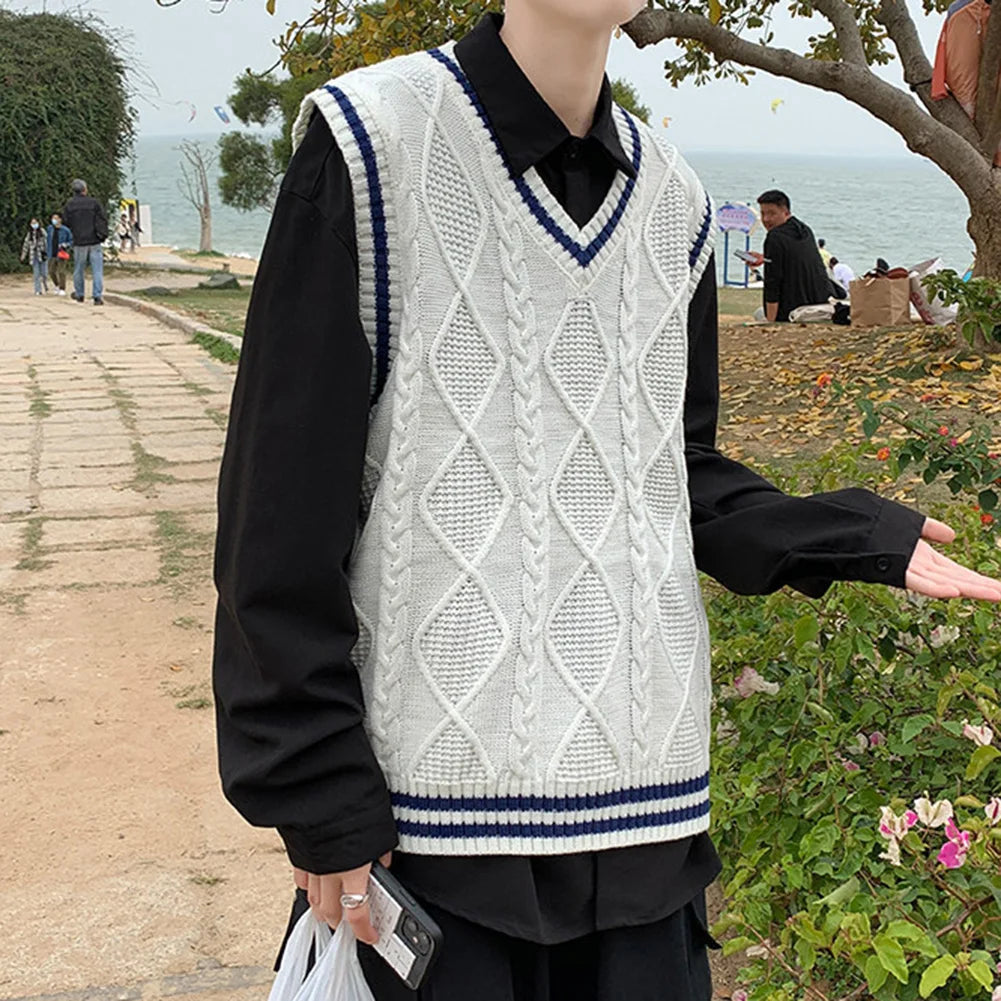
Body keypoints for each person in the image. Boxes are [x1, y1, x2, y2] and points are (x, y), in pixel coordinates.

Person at [212, 5, 1001, 1000]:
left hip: (647, 832)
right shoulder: (369, 146)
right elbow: (279, 503)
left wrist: (848, 534)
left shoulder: (673, 200)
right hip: (434, 837)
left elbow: (668, 467)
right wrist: (316, 786)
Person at [750, 190, 834, 321]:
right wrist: (764, 258)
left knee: (759, 313)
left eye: (772, 213)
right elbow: (795, 257)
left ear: (786, 212)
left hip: (792, 311)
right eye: (763, 213)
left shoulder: (774, 237)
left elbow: (773, 282)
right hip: (820, 306)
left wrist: (771, 322)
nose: (766, 219)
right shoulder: (804, 230)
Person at [63, 178, 108, 306]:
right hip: (94, 240)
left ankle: (79, 294)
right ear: (85, 189)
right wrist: (102, 235)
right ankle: (97, 296)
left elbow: (66, 222)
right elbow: (102, 219)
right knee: (97, 269)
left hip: (79, 241)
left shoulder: (70, 205)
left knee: (78, 269)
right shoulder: (94, 203)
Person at [46, 212, 73, 297]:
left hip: (61, 253)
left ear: (60, 219)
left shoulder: (65, 230)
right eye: (53, 218)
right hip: (51, 252)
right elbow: (47, 240)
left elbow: (71, 241)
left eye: (56, 218)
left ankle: (62, 288)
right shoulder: (50, 228)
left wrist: (66, 245)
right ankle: (57, 285)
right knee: (51, 271)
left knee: (61, 271)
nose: (54, 220)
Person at [20, 218, 48, 295]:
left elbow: (47, 242)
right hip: (34, 256)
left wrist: (48, 252)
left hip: (42, 255)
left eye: (35, 223)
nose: (34, 225)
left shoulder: (42, 231)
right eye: (32, 223)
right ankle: (38, 290)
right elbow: (26, 245)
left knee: (44, 273)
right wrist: (23, 255)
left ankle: (45, 286)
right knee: (36, 274)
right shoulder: (29, 234)